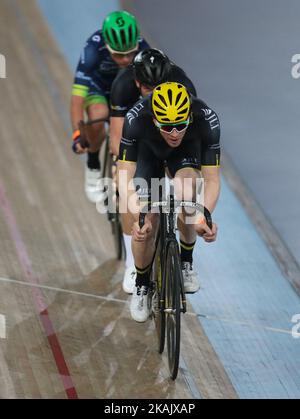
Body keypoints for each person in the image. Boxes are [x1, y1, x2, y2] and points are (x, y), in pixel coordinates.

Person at [117, 82, 221, 322]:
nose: (174, 133)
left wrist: (204, 215)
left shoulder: (206, 119)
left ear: (189, 118)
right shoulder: (135, 118)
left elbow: (212, 180)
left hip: (185, 153)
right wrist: (138, 216)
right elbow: (124, 176)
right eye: (167, 126)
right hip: (147, 152)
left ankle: (186, 261)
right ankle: (142, 284)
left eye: (180, 125)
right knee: (147, 221)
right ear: (154, 120)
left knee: (188, 192)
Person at [109, 48, 198, 294]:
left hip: (172, 140)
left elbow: (189, 137)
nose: (155, 93)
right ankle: (132, 263)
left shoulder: (183, 87)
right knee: (128, 191)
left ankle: (186, 261)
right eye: (149, 88)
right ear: (137, 83)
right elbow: (118, 140)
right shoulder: (123, 87)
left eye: (160, 85)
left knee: (186, 189)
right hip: (139, 139)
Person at [70, 10, 149, 203]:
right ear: (106, 45)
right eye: (119, 55)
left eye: (130, 54)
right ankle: (93, 163)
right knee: (98, 116)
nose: (125, 60)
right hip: (98, 90)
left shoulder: (144, 50)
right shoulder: (92, 49)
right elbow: (77, 99)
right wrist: (78, 134)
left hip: (127, 93)